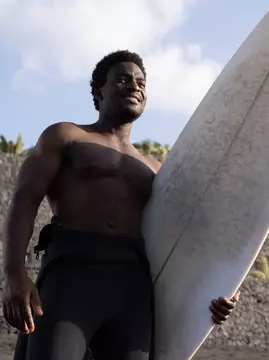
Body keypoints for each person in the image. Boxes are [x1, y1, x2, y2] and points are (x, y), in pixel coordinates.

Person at [1, 50, 240, 360]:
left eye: (141, 82)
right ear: (99, 90)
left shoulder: (155, 168)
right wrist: (14, 273)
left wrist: (226, 287)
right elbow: (24, 201)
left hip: (133, 284)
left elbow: (192, 236)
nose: (135, 86)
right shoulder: (66, 135)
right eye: (123, 79)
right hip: (72, 272)